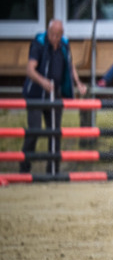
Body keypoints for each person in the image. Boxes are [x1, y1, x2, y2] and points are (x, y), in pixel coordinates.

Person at [20, 19, 88, 174]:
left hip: (54, 93)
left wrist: (78, 83)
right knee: (35, 130)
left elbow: (70, 66)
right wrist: (42, 81)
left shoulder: (64, 44)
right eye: (52, 34)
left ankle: (53, 171)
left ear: (62, 34)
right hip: (36, 94)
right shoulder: (39, 43)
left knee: (55, 132)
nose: (55, 38)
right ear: (48, 32)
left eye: (58, 35)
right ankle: (24, 170)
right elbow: (30, 69)